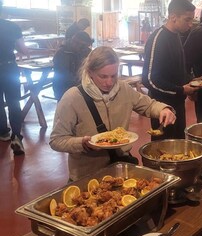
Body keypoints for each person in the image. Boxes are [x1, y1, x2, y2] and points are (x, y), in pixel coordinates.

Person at [49, 46, 176, 181]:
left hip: (120, 168)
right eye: (103, 76)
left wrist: (164, 109)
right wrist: (82, 143)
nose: (109, 82)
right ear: (90, 72)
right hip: (87, 174)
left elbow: (149, 105)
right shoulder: (72, 97)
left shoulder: (124, 89)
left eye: (113, 75)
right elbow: (56, 140)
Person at [142, 0, 198, 139]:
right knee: (163, 151)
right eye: (187, 20)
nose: (190, 24)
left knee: (178, 145)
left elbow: (175, 68)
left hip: (178, 103)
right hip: (162, 106)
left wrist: (191, 80)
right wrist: (180, 89)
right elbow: (149, 80)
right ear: (173, 17)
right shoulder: (158, 38)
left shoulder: (176, 35)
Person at [0, 1, 31, 155]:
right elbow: (23, 49)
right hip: (9, 67)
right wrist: (24, 52)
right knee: (14, 102)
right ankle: (16, 136)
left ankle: (3, 132)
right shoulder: (12, 27)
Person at [52, 31, 93, 100]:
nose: (85, 49)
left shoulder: (84, 51)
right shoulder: (62, 54)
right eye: (83, 46)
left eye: (86, 46)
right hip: (64, 88)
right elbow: (65, 77)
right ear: (75, 42)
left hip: (80, 85)